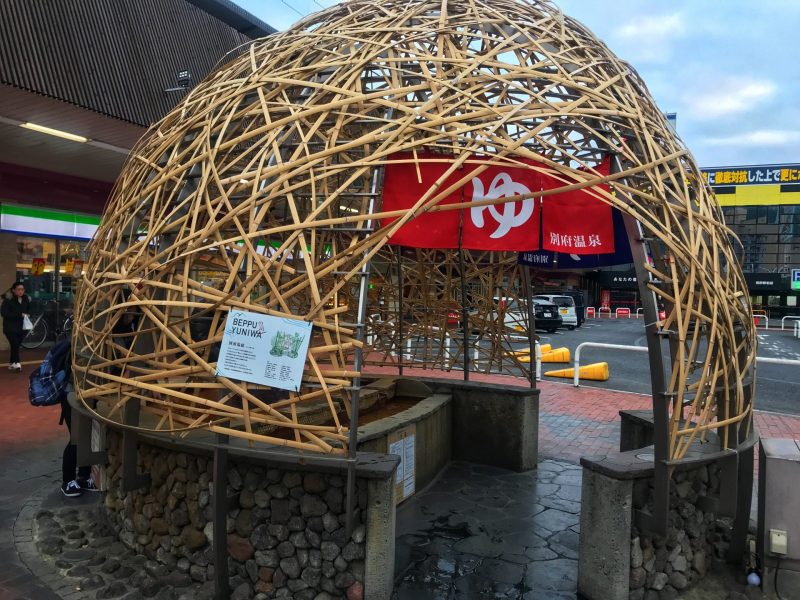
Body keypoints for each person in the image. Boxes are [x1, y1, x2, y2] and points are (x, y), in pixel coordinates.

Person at [1, 281, 31, 372]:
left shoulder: (26, 299)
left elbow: (30, 309)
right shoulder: (8, 300)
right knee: (15, 344)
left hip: (22, 328)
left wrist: (28, 314)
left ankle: (12, 363)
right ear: (13, 290)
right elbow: (4, 313)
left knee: (16, 346)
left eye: (22, 289)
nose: (20, 291)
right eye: (18, 289)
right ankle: (17, 364)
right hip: (10, 328)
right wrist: (19, 314)